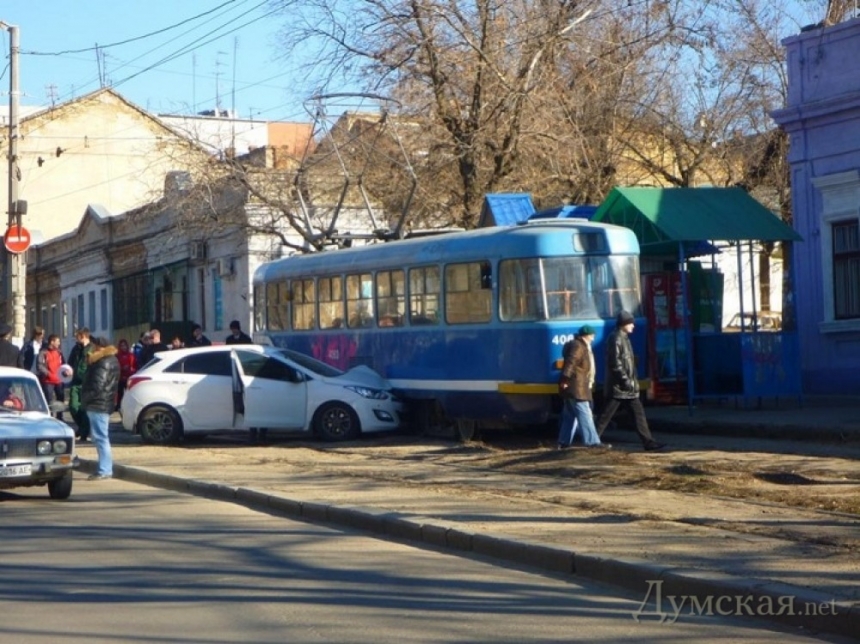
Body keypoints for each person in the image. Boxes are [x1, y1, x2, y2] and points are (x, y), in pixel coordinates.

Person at [595, 311, 666, 452]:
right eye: (630, 323)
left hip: (627, 388)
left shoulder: (624, 338)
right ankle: (592, 440)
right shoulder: (615, 339)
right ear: (624, 324)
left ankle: (648, 442)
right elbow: (615, 364)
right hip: (619, 387)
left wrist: (630, 383)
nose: (633, 325)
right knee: (605, 415)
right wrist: (626, 381)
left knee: (638, 414)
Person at [557, 325, 608, 450]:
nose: (593, 338)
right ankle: (592, 442)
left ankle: (564, 442)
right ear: (587, 335)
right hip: (576, 386)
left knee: (570, 415)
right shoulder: (578, 346)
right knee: (585, 413)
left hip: (574, 386)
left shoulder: (581, 345)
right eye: (592, 335)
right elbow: (571, 362)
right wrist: (565, 379)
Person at [81, 336, 120, 480]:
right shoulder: (110, 360)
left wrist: (85, 398)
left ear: (100, 347)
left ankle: (105, 469)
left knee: (101, 438)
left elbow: (98, 385)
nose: (93, 348)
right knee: (100, 437)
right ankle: (104, 468)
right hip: (102, 403)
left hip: (98, 404)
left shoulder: (103, 362)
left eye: (95, 345)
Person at [67, 328, 94, 441]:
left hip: (87, 382)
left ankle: (84, 433)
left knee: (85, 409)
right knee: (73, 406)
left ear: (83, 336)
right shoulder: (76, 348)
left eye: (77, 336)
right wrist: (68, 370)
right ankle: (82, 428)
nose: (75, 338)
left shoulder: (92, 348)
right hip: (75, 381)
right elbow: (69, 363)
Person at [37, 334, 65, 419]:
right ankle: (50, 417)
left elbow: (63, 363)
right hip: (48, 381)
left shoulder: (59, 352)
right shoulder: (43, 352)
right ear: (52, 342)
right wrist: (48, 374)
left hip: (59, 380)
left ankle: (60, 417)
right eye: (57, 341)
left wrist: (65, 371)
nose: (59, 343)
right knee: (48, 400)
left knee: (60, 399)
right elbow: (39, 366)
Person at [115, 338, 136, 411]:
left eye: (125, 345)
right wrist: (122, 368)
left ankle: (129, 406)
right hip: (120, 377)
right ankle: (118, 406)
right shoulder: (117, 356)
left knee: (129, 393)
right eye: (122, 346)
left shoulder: (131, 355)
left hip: (129, 377)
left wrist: (131, 370)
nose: (123, 347)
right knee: (120, 393)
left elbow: (134, 365)